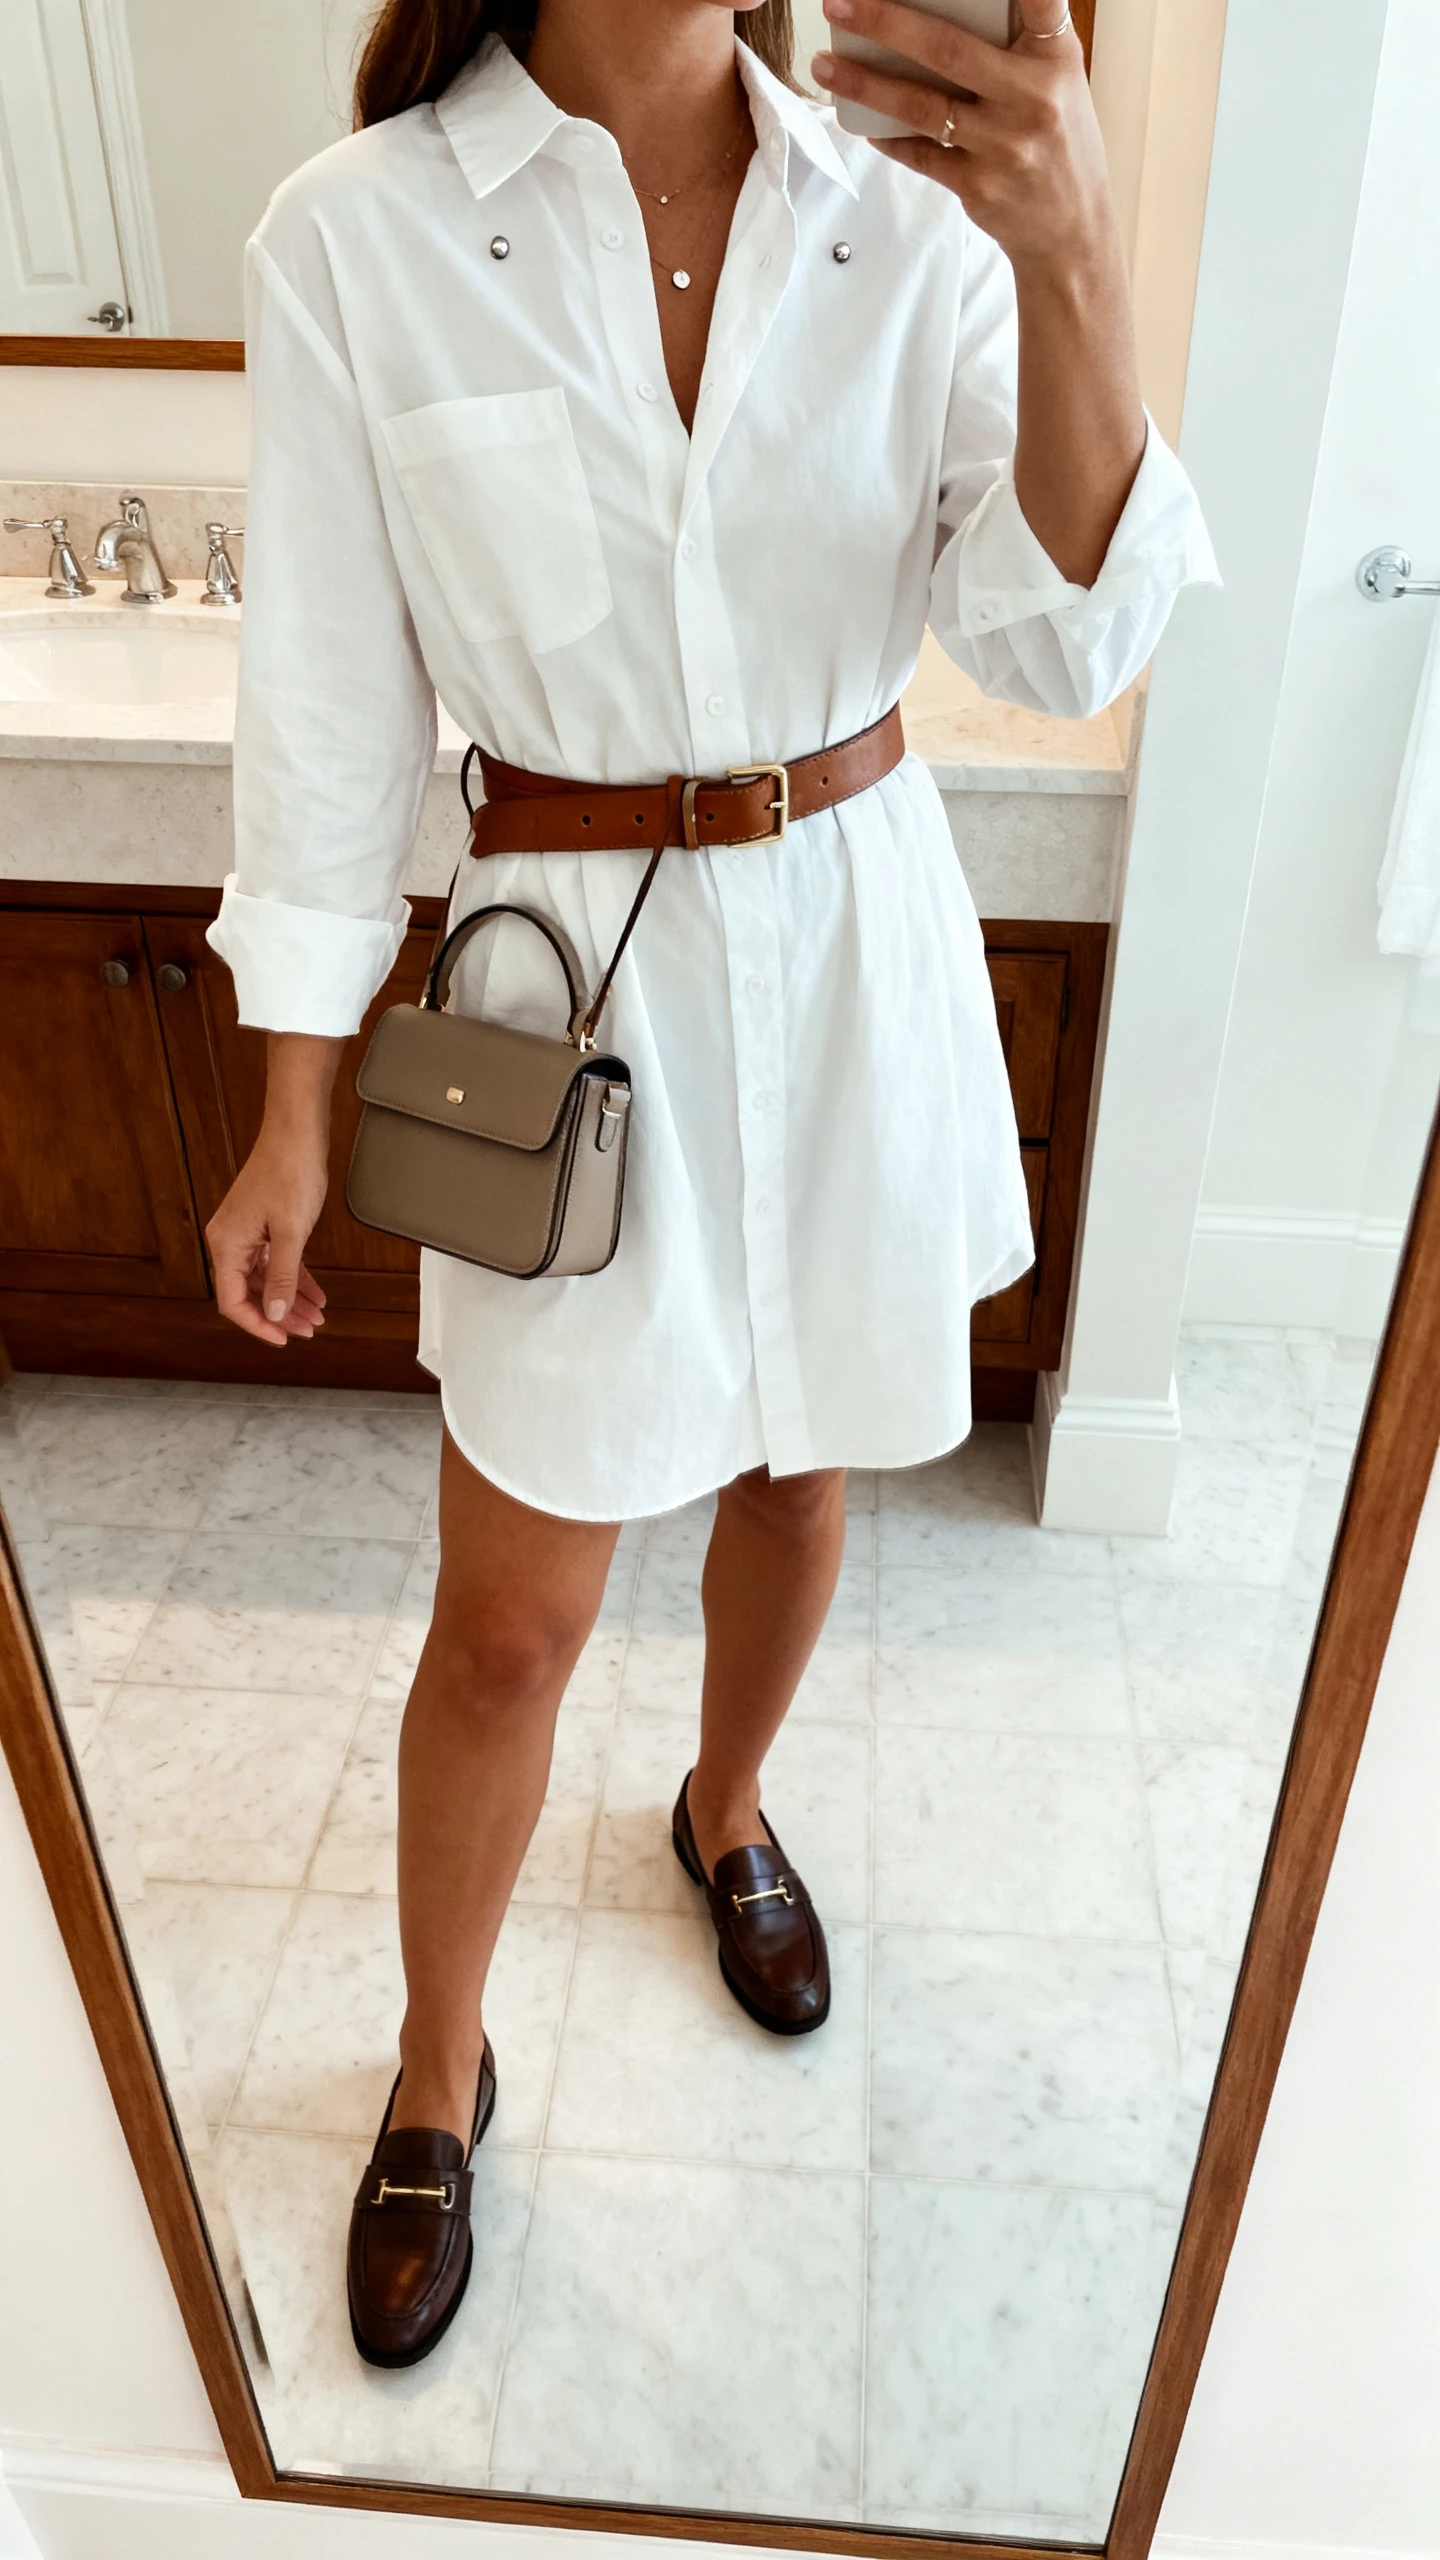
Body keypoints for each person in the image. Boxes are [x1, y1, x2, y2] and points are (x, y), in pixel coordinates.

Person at [205, 0, 1216, 2367]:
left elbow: (1063, 633)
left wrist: (1071, 250)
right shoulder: (358, 240)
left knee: (802, 1481)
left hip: (853, 957)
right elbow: (329, 713)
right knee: (514, 1611)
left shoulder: (914, 209)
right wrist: (285, 1099)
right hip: (565, 1002)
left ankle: (726, 1802)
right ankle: (435, 2062)